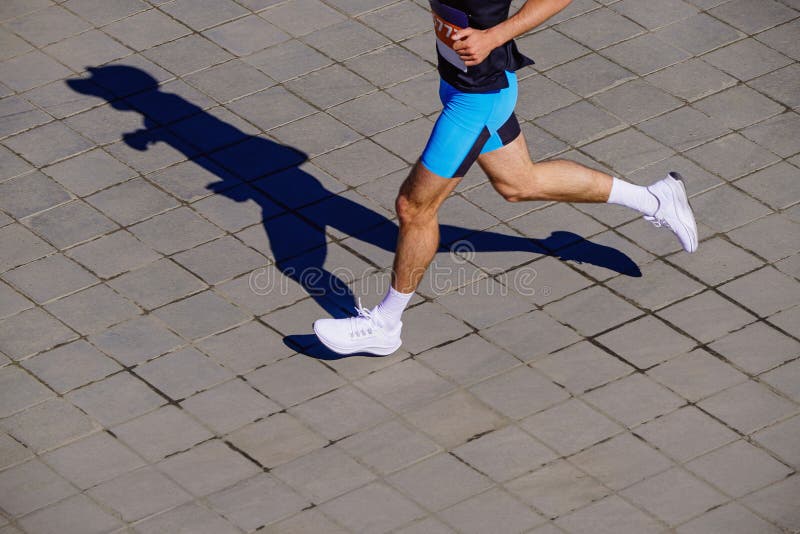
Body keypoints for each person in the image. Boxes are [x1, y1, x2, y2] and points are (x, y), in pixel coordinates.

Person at [313, 0, 698, 356]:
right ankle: (656, 199)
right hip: (457, 82)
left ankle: (385, 323)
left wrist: (495, 35)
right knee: (519, 184)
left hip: (477, 97)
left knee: (414, 208)